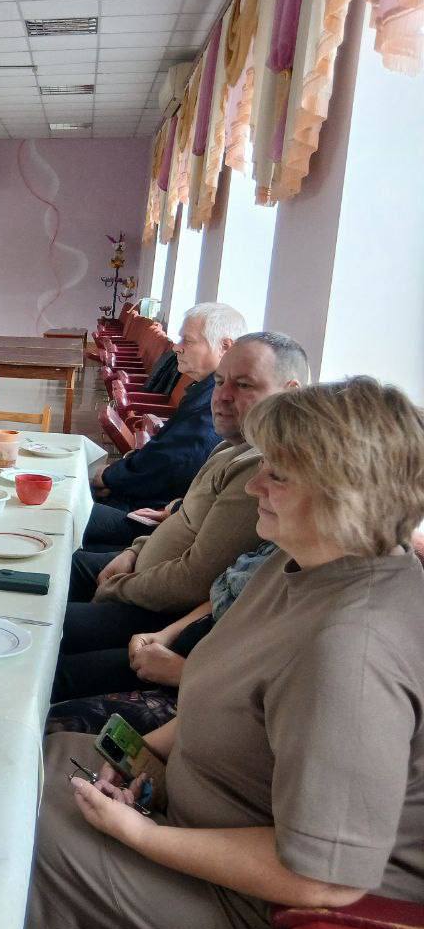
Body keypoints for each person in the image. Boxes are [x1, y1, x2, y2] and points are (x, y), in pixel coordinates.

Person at [30, 377, 424, 929]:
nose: (255, 484)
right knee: (39, 757)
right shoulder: (291, 566)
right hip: (187, 817)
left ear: (346, 494)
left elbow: (324, 879)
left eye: (278, 474)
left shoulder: (352, 650)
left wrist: (142, 835)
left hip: (252, 899)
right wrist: (138, 757)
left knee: (16, 833)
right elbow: (216, 699)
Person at [55, 333, 310, 701]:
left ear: (289, 391)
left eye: (244, 385)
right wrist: (133, 551)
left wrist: (118, 587)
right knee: (45, 564)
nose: (220, 396)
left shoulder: (261, 468)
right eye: (220, 382)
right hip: (141, 576)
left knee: (43, 635)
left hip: (155, 611)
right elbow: (182, 519)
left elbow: (195, 581)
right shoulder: (234, 444)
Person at [46, 542, 278, 736]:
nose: (256, 487)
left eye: (281, 483)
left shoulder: (308, 605)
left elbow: (262, 699)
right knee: (52, 670)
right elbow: (220, 600)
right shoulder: (277, 550)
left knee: (52, 713)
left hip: (200, 691)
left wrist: (186, 672)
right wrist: (164, 636)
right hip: (178, 656)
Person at [85, 302, 247, 550]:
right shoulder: (205, 389)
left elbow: (172, 464)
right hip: (151, 498)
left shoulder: (218, 403)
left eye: (187, 341)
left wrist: (111, 478)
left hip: (152, 510)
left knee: (61, 513)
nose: (176, 347)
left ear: (225, 347)